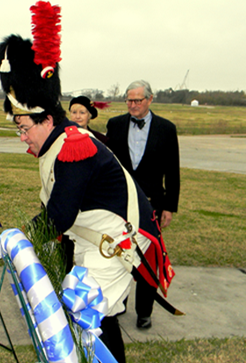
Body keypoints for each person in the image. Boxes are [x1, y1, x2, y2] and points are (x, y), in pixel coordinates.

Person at [0, 33, 174, 363]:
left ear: (48, 120)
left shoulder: (73, 147)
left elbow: (59, 215)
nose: (22, 136)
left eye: (24, 127)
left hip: (114, 244)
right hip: (93, 240)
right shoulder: (59, 142)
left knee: (95, 314)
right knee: (87, 314)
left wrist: (14, 240)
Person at [106, 80, 180, 329]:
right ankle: (119, 302)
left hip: (152, 205)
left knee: (148, 259)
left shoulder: (166, 129)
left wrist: (169, 206)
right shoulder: (115, 125)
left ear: (150, 99)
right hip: (120, 204)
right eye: (129, 100)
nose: (133, 105)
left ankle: (144, 312)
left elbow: (173, 171)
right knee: (121, 254)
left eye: (138, 100)